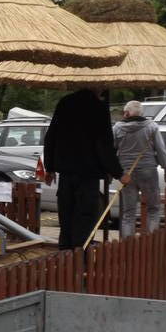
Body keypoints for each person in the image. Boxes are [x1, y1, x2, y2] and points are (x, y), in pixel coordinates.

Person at [43, 89, 131, 250]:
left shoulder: (65, 102)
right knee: (84, 218)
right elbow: (103, 145)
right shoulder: (97, 107)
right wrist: (119, 173)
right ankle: (79, 257)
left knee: (66, 217)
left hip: (65, 173)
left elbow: (51, 136)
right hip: (87, 174)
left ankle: (65, 254)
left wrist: (49, 168)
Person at [113, 100, 166, 238]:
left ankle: (128, 245)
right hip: (148, 170)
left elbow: (112, 151)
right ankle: (151, 243)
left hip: (126, 172)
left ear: (127, 113)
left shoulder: (117, 128)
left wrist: (114, 172)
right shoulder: (152, 127)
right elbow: (161, 150)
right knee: (153, 209)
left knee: (128, 213)